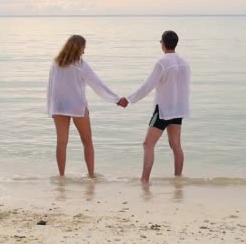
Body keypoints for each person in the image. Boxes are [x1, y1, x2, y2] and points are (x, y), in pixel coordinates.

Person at [117, 30, 190, 183]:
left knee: (148, 143)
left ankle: (144, 179)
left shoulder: (162, 63)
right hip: (179, 108)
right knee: (176, 145)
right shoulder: (184, 63)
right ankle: (178, 179)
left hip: (163, 109)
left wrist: (129, 100)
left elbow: (148, 85)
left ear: (163, 44)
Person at [47, 35, 122, 178]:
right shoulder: (80, 65)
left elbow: (50, 87)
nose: (84, 52)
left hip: (59, 106)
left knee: (61, 143)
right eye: (83, 49)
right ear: (78, 48)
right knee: (87, 142)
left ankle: (61, 176)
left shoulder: (55, 64)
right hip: (77, 106)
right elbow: (97, 84)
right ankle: (91, 175)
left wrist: (51, 108)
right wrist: (116, 99)